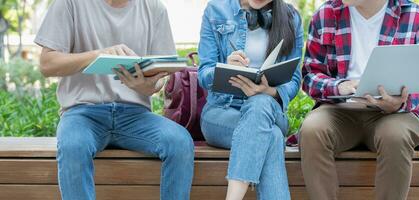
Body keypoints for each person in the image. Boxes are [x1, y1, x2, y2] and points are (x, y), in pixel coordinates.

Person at [35, 0, 194, 199]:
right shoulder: (69, 4)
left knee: (180, 142)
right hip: (82, 113)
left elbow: (159, 80)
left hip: (136, 116)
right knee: (73, 145)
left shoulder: (154, 8)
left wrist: (145, 86)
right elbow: (47, 64)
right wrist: (97, 55)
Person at [299, 0, 419, 199]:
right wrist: (339, 86)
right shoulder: (326, 14)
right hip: (340, 109)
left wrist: (400, 102)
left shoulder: (415, 16)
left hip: (393, 114)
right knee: (312, 129)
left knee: (395, 136)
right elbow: (310, 75)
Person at [197, 0, 303, 199]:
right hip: (222, 112)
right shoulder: (216, 10)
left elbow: (295, 79)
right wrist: (225, 67)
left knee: (260, 103)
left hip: (270, 110)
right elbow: (203, 74)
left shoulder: (291, 17)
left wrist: (269, 91)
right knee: (271, 136)